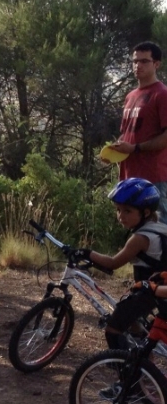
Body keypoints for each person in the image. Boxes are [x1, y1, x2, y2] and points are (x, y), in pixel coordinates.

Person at [69, 178, 167, 354]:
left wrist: (86, 253)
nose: (121, 216)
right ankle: (143, 359)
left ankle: (125, 369)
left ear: (145, 212)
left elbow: (113, 263)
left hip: (148, 292)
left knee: (113, 329)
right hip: (158, 286)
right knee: (133, 323)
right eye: (118, 210)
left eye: (127, 211)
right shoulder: (158, 226)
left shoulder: (140, 238)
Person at [108, 41, 167, 224]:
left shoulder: (162, 94)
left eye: (144, 61)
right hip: (130, 176)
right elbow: (127, 133)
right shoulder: (130, 96)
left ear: (156, 64)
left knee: (158, 229)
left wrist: (135, 148)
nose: (137, 66)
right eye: (134, 61)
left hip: (153, 177)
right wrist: (113, 152)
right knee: (135, 230)